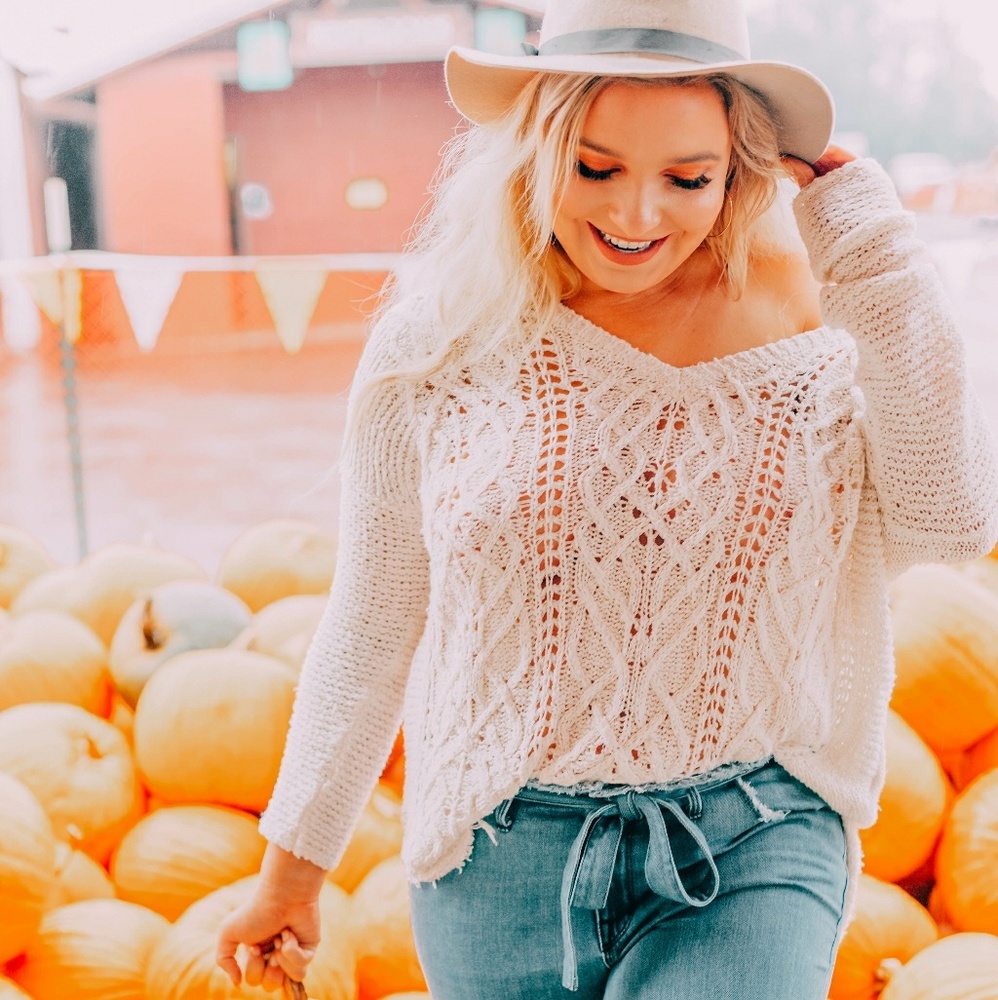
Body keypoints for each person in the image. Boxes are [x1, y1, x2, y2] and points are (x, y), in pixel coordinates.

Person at [216, 1, 998, 997]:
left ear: (740, 169)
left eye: (686, 178)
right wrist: (290, 873)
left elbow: (952, 517)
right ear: (535, 150)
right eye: (595, 168)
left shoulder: (823, 314)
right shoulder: (440, 341)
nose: (635, 217)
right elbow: (372, 622)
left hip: (751, 843)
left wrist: (876, 257)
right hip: (495, 859)